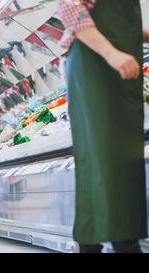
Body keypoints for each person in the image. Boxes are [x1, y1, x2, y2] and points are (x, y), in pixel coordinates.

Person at [58, 0, 149, 253]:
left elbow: (118, 21)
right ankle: (117, 243)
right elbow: (70, 10)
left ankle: (116, 240)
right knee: (102, 155)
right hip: (95, 64)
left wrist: (142, 34)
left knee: (123, 157)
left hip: (120, 69)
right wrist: (111, 53)